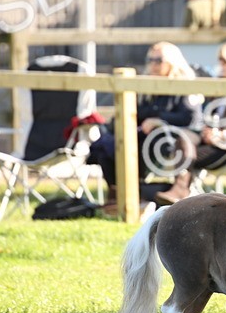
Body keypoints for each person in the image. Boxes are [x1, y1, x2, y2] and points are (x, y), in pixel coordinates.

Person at [87, 41, 203, 203]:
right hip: (146, 137)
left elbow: (190, 118)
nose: (153, 65)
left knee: (139, 145)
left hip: (173, 138)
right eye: (150, 60)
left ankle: (174, 189)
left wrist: (159, 120)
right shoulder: (146, 86)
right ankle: (117, 195)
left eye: (158, 60)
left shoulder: (184, 84)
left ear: (172, 62)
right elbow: (137, 112)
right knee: (107, 149)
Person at [154, 39, 226, 205]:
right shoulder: (218, 83)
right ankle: (181, 189)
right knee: (184, 138)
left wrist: (223, 134)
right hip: (209, 139)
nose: (220, 65)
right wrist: (208, 130)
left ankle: (181, 190)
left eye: (224, 61)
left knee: (183, 151)